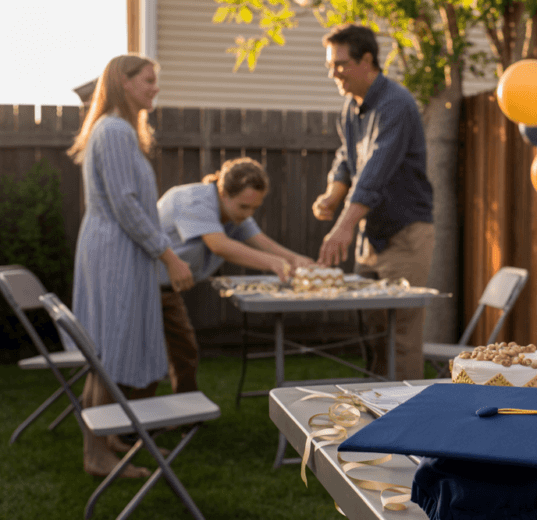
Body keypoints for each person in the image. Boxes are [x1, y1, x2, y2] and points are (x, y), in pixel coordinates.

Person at [66, 55, 194, 478]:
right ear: (124, 81)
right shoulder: (115, 131)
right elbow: (126, 204)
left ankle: (106, 439)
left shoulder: (115, 129)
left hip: (115, 250)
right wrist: (168, 255)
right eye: (149, 80)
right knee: (109, 352)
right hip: (115, 254)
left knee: (107, 349)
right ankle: (96, 454)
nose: (156, 88)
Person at [312, 25, 435, 381]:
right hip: (370, 238)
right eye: (330, 65)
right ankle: (375, 407)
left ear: (367, 60)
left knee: (401, 337)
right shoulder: (351, 109)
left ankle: (406, 413)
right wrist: (332, 195)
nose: (333, 73)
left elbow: (376, 171)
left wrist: (343, 227)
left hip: (405, 235)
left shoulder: (396, 104)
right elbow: (347, 159)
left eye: (340, 64)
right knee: (374, 334)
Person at [156, 157, 316, 394]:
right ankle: (130, 415)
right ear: (223, 194)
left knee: (185, 353)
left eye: (254, 208)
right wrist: (273, 263)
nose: (248, 214)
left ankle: (186, 412)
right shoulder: (194, 200)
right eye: (244, 207)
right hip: (141, 286)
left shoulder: (234, 213)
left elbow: (262, 243)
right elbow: (219, 245)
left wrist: (297, 260)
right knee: (144, 362)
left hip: (168, 291)